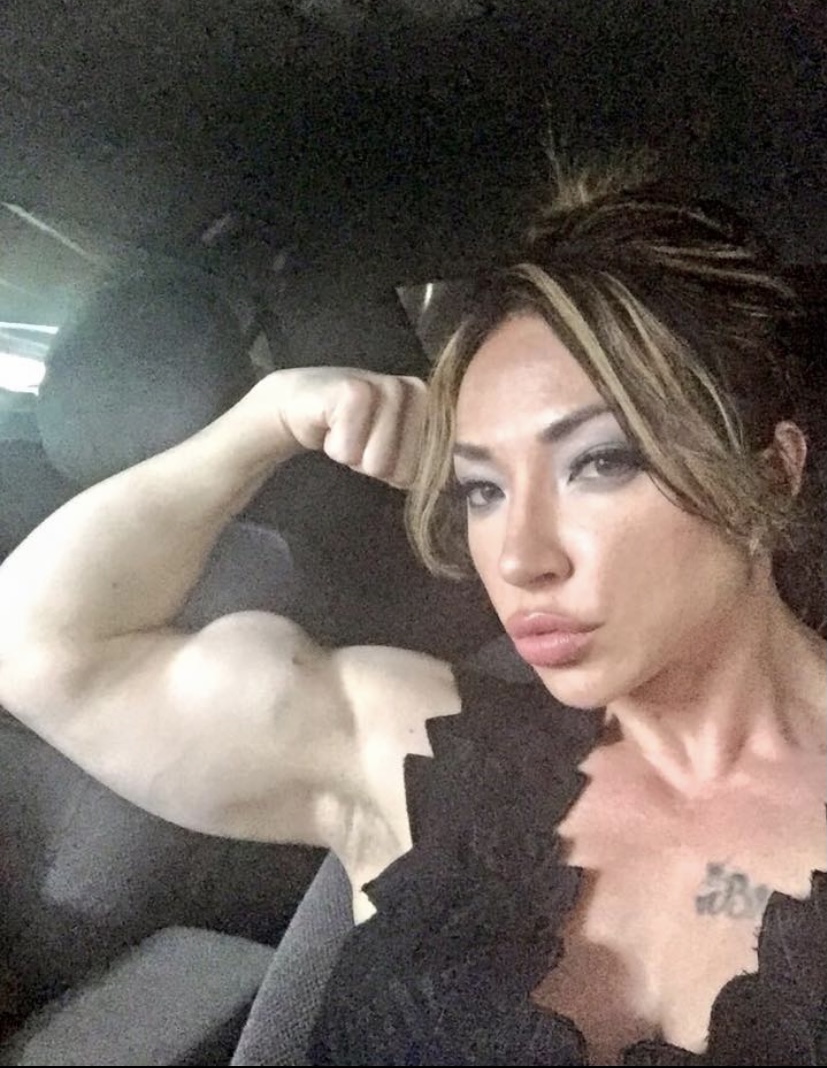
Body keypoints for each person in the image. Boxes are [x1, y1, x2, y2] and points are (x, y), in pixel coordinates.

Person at [0, 159, 825, 1066]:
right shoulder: (419, 751)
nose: (517, 557)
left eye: (599, 462)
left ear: (769, 474)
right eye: (480, 488)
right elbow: (40, 648)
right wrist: (265, 420)